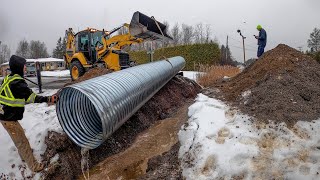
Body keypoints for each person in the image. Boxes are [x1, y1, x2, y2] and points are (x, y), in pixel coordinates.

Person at [0, 55, 58, 172]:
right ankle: (35, 167)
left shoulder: (9, 78)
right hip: (8, 119)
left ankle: (24, 157)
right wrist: (48, 99)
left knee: (21, 140)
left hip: (5, 115)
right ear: (18, 68)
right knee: (22, 142)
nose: (26, 68)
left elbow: (21, 97)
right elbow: (32, 98)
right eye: (24, 66)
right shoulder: (18, 83)